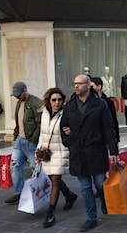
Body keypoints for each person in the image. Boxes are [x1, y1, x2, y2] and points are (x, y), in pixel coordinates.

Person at [60, 74, 118, 232]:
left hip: (96, 150)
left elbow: (108, 128)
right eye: (74, 84)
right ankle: (91, 217)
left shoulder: (99, 105)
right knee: (85, 187)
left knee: (100, 183)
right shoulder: (70, 105)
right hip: (78, 152)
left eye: (79, 83)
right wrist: (68, 138)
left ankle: (105, 200)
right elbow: (63, 126)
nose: (76, 86)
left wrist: (113, 150)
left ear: (88, 85)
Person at [36, 87, 78, 228]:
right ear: (49, 100)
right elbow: (42, 134)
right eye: (54, 100)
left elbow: (74, 129)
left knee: (55, 179)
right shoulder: (45, 113)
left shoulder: (67, 113)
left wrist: (70, 131)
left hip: (61, 150)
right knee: (50, 177)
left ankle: (50, 213)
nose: (57, 102)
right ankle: (69, 195)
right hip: (47, 152)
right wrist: (38, 151)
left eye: (60, 99)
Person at [5, 81, 42, 204]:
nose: (17, 97)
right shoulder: (18, 103)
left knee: (36, 169)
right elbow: (18, 122)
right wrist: (15, 137)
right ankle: (18, 192)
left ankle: (42, 192)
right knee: (14, 166)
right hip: (19, 141)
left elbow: (40, 124)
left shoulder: (36, 102)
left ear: (25, 91)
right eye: (15, 95)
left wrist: (33, 138)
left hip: (30, 142)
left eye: (19, 94)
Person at [91, 77, 120, 142]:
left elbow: (114, 121)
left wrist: (116, 139)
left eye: (92, 86)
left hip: (105, 138)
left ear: (99, 87)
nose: (90, 89)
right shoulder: (89, 103)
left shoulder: (108, 103)